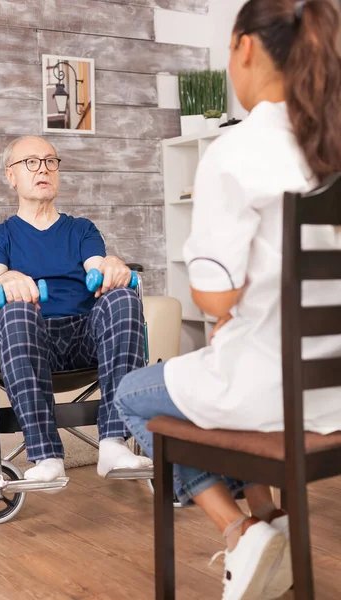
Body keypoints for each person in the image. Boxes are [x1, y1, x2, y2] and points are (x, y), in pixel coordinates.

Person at [114, 0, 341, 598]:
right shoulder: (326, 149)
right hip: (331, 392)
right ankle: (270, 520)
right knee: (211, 370)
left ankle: (241, 532)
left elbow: (214, 298)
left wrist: (227, 306)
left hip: (266, 389)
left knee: (133, 394)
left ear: (243, 48)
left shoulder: (237, 152)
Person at [0, 135, 152, 485]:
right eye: (31, 162)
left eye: (50, 161)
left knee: (123, 297)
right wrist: (8, 279)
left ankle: (114, 444)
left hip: (83, 337)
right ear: (11, 176)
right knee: (13, 311)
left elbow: (98, 264)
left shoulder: (81, 229)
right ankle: (46, 456)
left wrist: (113, 266)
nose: (43, 168)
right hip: (28, 338)